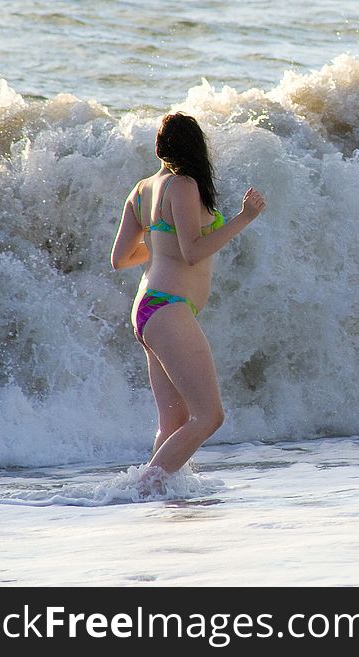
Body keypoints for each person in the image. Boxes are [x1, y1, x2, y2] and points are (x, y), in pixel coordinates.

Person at [110, 112, 266, 478]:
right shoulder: (182, 185)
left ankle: (164, 502)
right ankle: (143, 487)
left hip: (148, 308)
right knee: (210, 415)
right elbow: (194, 251)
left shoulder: (142, 189)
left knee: (175, 421)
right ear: (196, 147)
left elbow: (120, 259)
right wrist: (243, 217)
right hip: (168, 308)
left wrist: (159, 245)